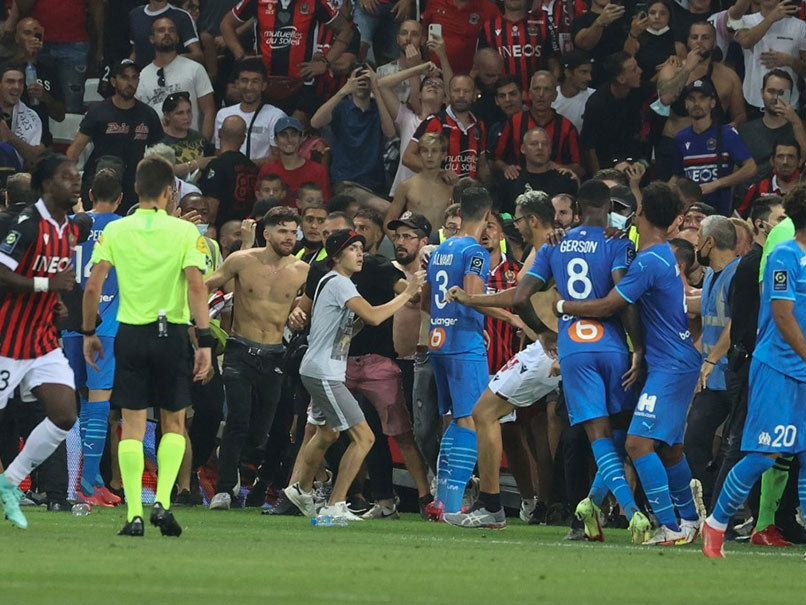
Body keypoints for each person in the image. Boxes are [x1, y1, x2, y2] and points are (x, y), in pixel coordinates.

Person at [555, 182, 703, 546]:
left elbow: (610, 305)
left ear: (641, 214)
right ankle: (688, 519)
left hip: (669, 365)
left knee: (637, 445)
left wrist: (562, 307)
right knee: (669, 449)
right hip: (678, 360)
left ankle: (668, 528)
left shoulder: (648, 262)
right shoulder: (659, 253)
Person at [81, 155, 212, 536]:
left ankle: (134, 513)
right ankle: (164, 504)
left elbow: (93, 285)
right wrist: (203, 341)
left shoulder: (117, 232)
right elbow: (196, 285)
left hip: (130, 333)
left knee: (133, 425)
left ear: (135, 191)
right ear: (170, 191)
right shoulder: (186, 233)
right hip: (169, 332)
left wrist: (90, 331)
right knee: (172, 422)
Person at [283, 229, 425, 522]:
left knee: (327, 433)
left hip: (317, 368)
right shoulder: (340, 283)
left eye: (361, 247)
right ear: (335, 256)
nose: (360, 253)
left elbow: (354, 325)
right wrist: (409, 293)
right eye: (352, 249)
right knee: (365, 438)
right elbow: (373, 317)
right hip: (325, 371)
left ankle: (300, 489)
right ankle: (335, 503)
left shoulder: (330, 282)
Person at [440, 192, 561, 529]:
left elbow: (518, 295)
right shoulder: (549, 248)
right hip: (554, 344)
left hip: (555, 349)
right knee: (594, 430)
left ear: (533, 220)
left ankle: (491, 505)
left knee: (485, 412)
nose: (516, 227)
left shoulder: (548, 248)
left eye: (519, 220)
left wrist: (470, 297)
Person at [703, 187, 806, 558]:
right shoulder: (784, 255)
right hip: (777, 368)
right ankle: (715, 525)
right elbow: (781, 314)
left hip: (802, 369)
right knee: (763, 456)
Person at [204, 206, 309, 509]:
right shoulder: (241, 260)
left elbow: (307, 305)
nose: (289, 237)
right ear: (267, 233)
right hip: (239, 349)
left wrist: (299, 312)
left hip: (275, 354)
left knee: (259, 432)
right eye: (283, 231)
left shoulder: (302, 270)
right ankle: (224, 490)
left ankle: (230, 456)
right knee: (237, 418)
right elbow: (208, 286)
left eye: (293, 232)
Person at [0, 154, 81, 529]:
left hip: (42, 340)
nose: (76, 182)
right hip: (7, 339)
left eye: (77, 176)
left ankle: (10, 484)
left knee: (65, 413)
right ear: (47, 184)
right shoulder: (26, 224)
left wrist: (56, 303)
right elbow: (2, 275)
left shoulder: (70, 230)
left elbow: (53, 278)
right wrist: (49, 286)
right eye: (67, 177)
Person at [422, 187, 495, 519]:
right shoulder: (476, 252)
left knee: (453, 419)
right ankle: (452, 506)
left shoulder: (440, 250)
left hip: (437, 339)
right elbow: (473, 296)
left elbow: (426, 298)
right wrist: (507, 314)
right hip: (464, 342)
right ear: (488, 216)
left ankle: (441, 499)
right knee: (472, 419)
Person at [62, 168, 124, 508]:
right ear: (120, 198)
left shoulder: (72, 223)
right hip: (105, 326)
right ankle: (86, 487)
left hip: (69, 322)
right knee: (98, 400)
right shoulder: (123, 228)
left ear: (88, 195)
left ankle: (96, 481)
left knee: (82, 401)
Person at [683, 216, 740, 505]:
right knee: (694, 439)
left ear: (710, 242)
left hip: (734, 374)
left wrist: (712, 359)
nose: (696, 249)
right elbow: (703, 303)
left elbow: (736, 321)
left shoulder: (739, 274)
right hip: (711, 379)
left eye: (698, 242)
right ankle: (710, 506)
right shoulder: (713, 275)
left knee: (735, 447)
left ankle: (733, 514)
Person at [67, 59, 164, 214]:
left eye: (134, 77)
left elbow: (159, 156)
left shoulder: (148, 114)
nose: (130, 83)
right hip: (99, 185)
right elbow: (73, 152)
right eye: (125, 77)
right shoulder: (98, 111)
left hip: (134, 187)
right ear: (113, 81)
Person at [221, 0, 354, 89]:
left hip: (302, 84)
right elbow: (226, 24)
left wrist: (325, 63)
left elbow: (346, 30)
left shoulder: (316, 2)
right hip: (264, 84)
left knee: (295, 127)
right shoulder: (256, 1)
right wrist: (241, 56)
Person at [671, 79, 756, 216]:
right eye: (691, 99)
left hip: (719, 211)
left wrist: (717, 184)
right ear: (686, 104)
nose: (697, 104)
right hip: (688, 212)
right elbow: (677, 176)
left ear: (712, 102)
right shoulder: (680, 138)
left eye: (702, 98)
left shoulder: (727, 134)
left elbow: (751, 167)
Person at [311, 63, 394, 193]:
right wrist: (344, 90)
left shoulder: (378, 108)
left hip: (375, 182)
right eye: (357, 77)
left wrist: (376, 89)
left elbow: (390, 133)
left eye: (365, 78)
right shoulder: (341, 108)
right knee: (386, 208)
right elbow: (315, 122)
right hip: (345, 181)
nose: (361, 81)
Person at [135, 17, 215, 140]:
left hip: (191, 147)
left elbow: (209, 111)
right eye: (161, 30)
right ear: (151, 39)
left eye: (171, 30)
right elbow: (140, 118)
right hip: (157, 147)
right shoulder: (142, 76)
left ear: (177, 38)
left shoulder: (195, 69)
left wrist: (203, 146)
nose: (167, 33)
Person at [494, 71, 582, 179]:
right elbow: (496, 159)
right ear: (530, 94)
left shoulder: (567, 128)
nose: (541, 94)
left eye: (547, 89)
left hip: (555, 185)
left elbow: (579, 167)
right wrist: (506, 167)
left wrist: (559, 167)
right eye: (537, 89)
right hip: (520, 185)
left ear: (554, 96)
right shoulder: (514, 122)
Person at [403, 75, 489, 182]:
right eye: (456, 91)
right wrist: (439, 172)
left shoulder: (479, 125)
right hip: (438, 192)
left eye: (466, 91)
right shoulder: (434, 121)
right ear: (448, 94)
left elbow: (482, 164)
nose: (461, 95)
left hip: (469, 194)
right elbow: (407, 157)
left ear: (474, 95)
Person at [581, 52, 649, 173]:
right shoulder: (596, 104)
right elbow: (590, 147)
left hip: (636, 157)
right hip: (606, 161)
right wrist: (600, 179)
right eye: (634, 70)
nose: (640, 71)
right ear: (621, 79)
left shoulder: (638, 90)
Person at [736, 0, 806, 116]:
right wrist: (771, 18)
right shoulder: (745, 20)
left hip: (788, 103)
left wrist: (790, 61)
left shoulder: (800, 26)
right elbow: (746, 42)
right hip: (753, 102)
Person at [213, 58, 287, 165]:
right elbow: (219, 153)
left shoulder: (276, 116)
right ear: (237, 84)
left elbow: (278, 157)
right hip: (230, 178)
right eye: (244, 80)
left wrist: (243, 167)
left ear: (264, 85)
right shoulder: (223, 114)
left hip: (263, 178)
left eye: (255, 81)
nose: (249, 87)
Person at [478, 0, 560, 94]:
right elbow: (481, 66)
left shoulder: (542, 22)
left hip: (537, 98)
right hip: (502, 100)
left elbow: (554, 61)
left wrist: (552, 88)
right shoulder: (489, 27)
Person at [737, 70, 806, 179]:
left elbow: (802, 161)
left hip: (791, 192)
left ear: (790, 95)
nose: (775, 97)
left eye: (781, 93)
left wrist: (796, 123)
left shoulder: (801, 128)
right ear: (762, 93)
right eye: (771, 91)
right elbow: (737, 170)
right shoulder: (745, 131)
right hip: (753, 192)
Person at [500, 127, 579, 214]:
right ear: (523, 149)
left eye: (545, 144)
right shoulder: (512, 179)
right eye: (533, 144)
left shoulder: (566, 180)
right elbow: (505, 216)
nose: (540, 148)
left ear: (550, 149)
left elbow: (576, 215)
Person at [13, 17, 65, 148]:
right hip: (11, 141)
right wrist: (26, 57)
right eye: (27, 33)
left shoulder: (49, 71)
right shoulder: (6, 69)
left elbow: (60, 116)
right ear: (17, 37)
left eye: (36, 34)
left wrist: (46, 97)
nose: (32, 38)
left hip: (42, 142)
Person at [200, 115, 258, 231]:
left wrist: (208, 230)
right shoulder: (252, 167)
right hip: (246, 229)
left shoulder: (217, 165)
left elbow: (212, 204)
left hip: (222, 230)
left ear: (220, 133)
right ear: (243, 138)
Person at [387, 133, 453, 234]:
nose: (429, 156)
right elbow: (389, 220)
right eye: (425, 151)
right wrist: (399, 242)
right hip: (416, 244)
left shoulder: (451, 187)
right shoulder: (406, 186)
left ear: (444, 155)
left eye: (434, 151)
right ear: (419, 154)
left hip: (443, 245)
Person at [257, 116, 331, 205]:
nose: (289, 140)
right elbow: (260, 202)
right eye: (283, 135)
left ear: (301, 138)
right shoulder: (267, 170)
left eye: (294, 134)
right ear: (276, 140)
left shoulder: (318, 171)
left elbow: (324, 204)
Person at [421, 0, 501, 75]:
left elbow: (502, 35)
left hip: (466, 78)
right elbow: (423, 31)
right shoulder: (435, 2)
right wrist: (425, 60)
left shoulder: (488, 9)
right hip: (433, 73)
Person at [571, 0, 630, 88]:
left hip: (621, 81)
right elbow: (584, 44)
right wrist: (599, 22)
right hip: (592, 81)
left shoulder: (625, 20)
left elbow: (630, 53)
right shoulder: (581, 21)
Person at [738, 138, 802, 217]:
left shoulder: (804, 187)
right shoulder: (758, 188)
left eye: (791, 157)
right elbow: (737, 220)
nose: (785, 162)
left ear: (799, 161)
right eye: (780, 156)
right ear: (772, 161)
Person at [128, 0, 202, 67]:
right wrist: (127, 64)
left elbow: (198, 55)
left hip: (175, 76)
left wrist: (174, 59)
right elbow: (135, 52)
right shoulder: (135, 14)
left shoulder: (182, 16)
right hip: (143, 78)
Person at [0, 62, 44, 168]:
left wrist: (10, 137)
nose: (17, 87)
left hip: (14, 176)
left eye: (20, 82)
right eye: (10, 82)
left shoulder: (32, 117)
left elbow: (34, 158)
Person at [160, 91, 212, 175]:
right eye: (180, 113)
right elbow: (162, 172)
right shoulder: (159, 141)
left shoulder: (198, 137)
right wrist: (195, 164)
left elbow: (215, 159)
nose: (186, 117)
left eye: (189, 111)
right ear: (167, 115)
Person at [553, 50, 594, 134]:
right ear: (568, 73)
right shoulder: (551, 97)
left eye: (589, 72)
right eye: (583, 72)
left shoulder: (594, 97)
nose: (589, 78)